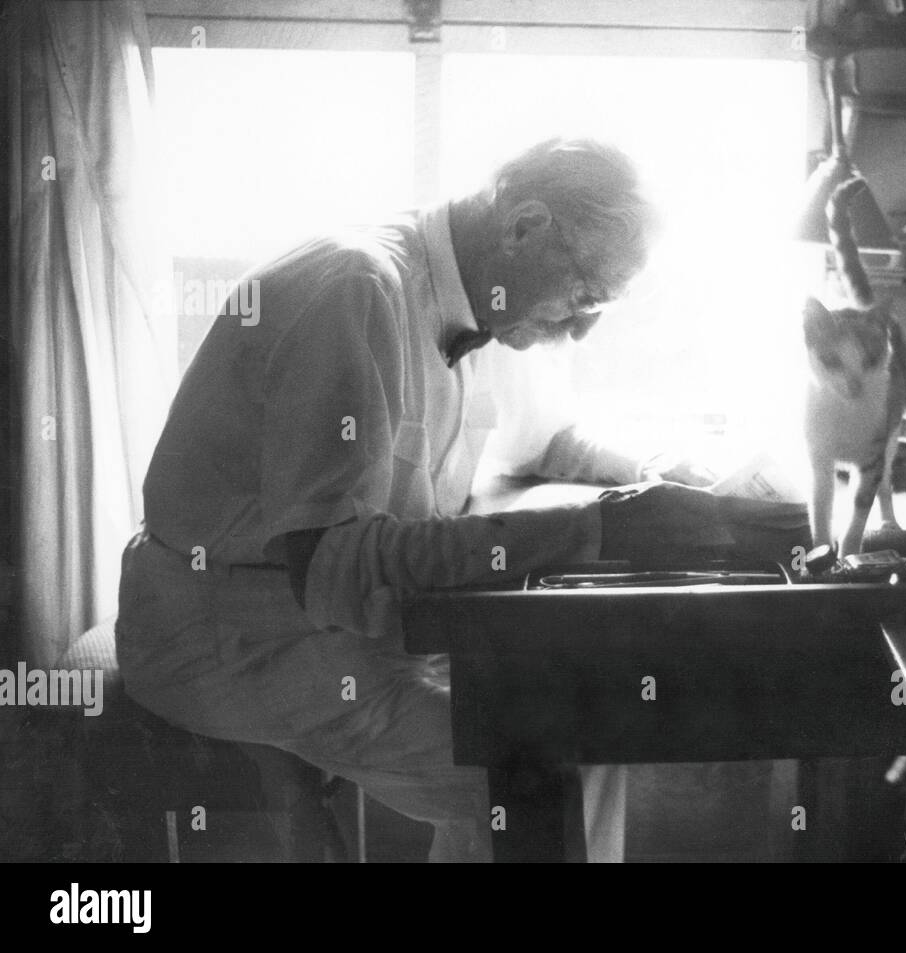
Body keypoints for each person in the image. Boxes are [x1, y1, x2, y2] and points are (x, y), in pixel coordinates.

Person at [116, 138, 801, 861]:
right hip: (234, 637)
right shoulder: (359, 291)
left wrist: (662, 473)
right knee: (537, 773)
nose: (582, 330)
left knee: (594, 728)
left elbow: (545, 443)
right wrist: (600, 529)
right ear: (524, 227)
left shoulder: (483, 308)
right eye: (586, 296)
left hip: (343, 624)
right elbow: (332, 568)